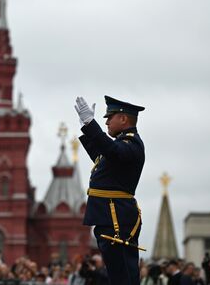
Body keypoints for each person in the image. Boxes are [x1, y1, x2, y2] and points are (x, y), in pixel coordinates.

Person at [74, 95, 146, 285]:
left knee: (121, 275)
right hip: (112, 215)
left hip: (116, 217)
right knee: (119, 274)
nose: (106, 122)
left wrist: (92, 125)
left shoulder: (131, 144)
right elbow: (102, 157)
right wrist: (88, 129)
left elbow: (111, 151)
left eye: (109, 117)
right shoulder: (122, 145)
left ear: (123, 119)